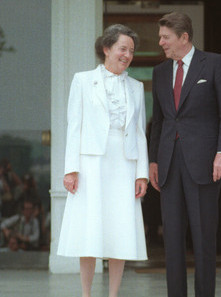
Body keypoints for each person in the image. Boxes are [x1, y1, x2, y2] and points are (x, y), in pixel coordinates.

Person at [149, 12, 221, 297]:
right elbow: (159, 120)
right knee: (172, 242)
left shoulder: (213, 63)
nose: (161, 42)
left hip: (205, 165)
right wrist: (153, 160)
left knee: (203, 241)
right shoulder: (160, 71)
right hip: (169, 165)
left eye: (166, 37)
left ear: (184, 37)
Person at [57, 24, 148, 297]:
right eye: (122, 48)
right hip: (91, 165)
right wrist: (71, 170)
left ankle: (113, 294)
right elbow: (74, 126)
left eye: (131, 51)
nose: (127, 55)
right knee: (90, 230)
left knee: (119, 230)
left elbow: (141, 133)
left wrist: (141, 173)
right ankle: (86, 294)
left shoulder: (136, 86)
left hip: (124, 163)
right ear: (106, 49)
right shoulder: (82, 80)